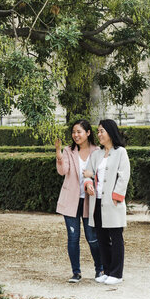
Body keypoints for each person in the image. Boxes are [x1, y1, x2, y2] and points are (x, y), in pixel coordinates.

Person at [83, 119, 131, 286]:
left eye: (102, 131)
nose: (99, 134)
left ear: (110, 132)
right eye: (98, 131)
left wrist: (116, 197)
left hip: (112, 202)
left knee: (116, 237)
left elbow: (124, 176)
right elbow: (87, 174)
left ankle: (117, 273)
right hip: (96, 202)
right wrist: (88, 184)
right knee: (102, 237)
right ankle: (107, 270)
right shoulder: (95, 154)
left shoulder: (120, 152)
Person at [55, 120, 103, 284]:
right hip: (71, 201)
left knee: (92, 238)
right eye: (73, 132)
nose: (75, 135)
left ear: (88, 133)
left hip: (90, 200)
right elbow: (63, 171)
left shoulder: (97, 151)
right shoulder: (69, 150)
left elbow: (101, 174)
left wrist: (93, 184)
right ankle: (76, 272)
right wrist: (58, 153)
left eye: (79, 132)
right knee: (73, 238)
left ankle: (100, 269)